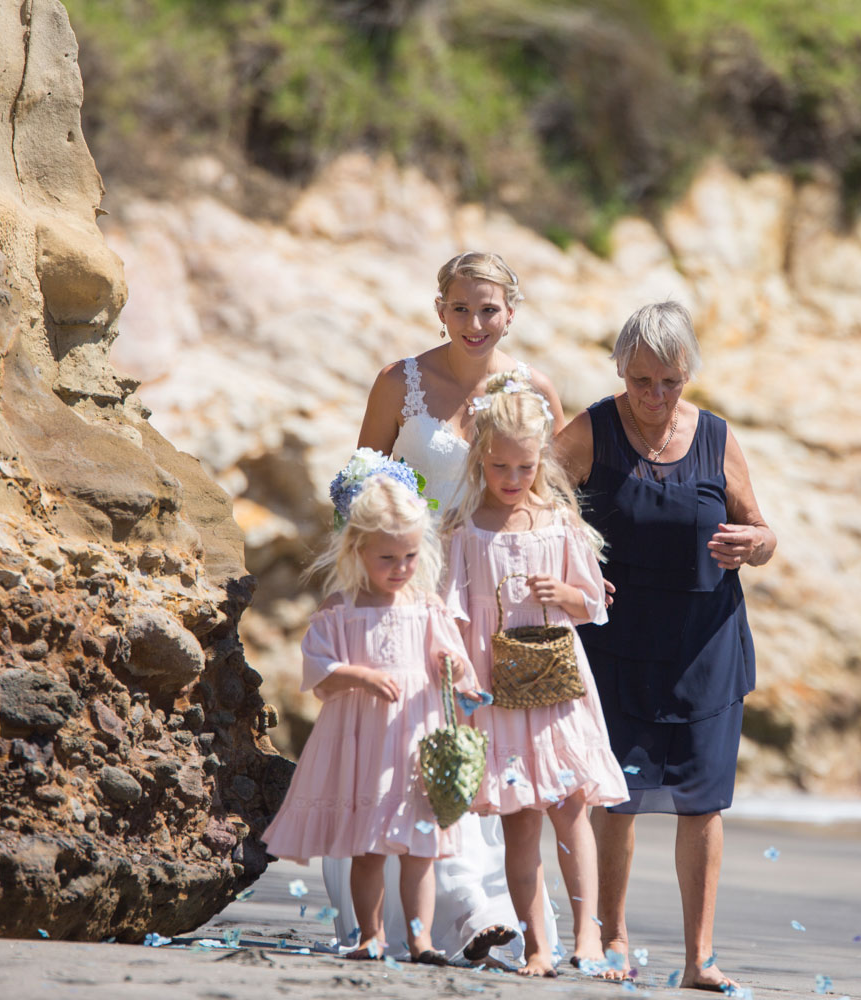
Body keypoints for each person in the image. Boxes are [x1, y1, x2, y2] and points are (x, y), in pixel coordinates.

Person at [323, 250, 564, 965]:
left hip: (493, 603)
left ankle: (482, 908)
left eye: (488, 310)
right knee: (414, 750)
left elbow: (548, 500)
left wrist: (573, 577)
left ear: (511, 314)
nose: (474, 323)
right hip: (408, 596)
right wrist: (358, 595)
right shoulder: (400, 383)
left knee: (479, 752)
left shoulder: (533, 389)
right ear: (440, 310)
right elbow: (358, 495)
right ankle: (462, 912)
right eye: (460, 308)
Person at [554, 301, 776, 993]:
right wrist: (571, 573)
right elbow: (532, 505)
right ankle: (612, 939)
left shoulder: (715, 437)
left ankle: (699, 959)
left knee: (703, 804)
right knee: (615, 799)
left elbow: (761, 531)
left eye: (669, 382)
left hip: (706, 646)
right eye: (641, 380)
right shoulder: (591, 429)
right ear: (620, 369)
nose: (653, 397)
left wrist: (757, 545)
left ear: (688, 375)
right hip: (613, 647)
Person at [442, 373, 628, 977]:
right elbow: (448, 613)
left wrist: (567, 593)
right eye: (500, 467)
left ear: (540, 461)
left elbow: (595, 607)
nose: (513, 480)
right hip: (498, 695)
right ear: (480, 459)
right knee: (521, 827)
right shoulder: (467, 532)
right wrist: (462, 672)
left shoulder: (559, 523)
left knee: (572, 812)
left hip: (557, 691)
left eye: (524, 468)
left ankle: (589, 939)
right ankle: (538, 947)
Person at [261, 460, 480, 965]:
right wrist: (359, 675)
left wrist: (452, 664)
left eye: (409, 555)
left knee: (422, 846)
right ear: (357, 548)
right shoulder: (341, 608)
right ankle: (370, 935)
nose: (400, 567)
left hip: (415, 740)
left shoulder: (425, 606)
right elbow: (319, 670)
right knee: (369, 847)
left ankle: (421, 940)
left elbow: (454, 661)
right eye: (387, 558)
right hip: (363, 742)